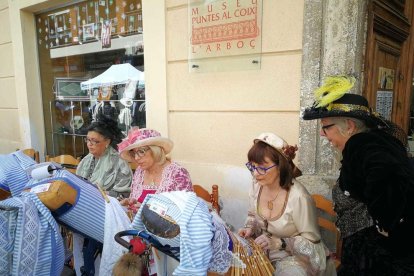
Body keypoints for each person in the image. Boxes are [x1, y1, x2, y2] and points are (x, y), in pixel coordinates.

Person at [302, 75, 414, 275]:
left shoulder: (362, 145)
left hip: (374, 259)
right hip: (370, 252)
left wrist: (385, 222)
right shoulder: (368, 144)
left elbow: (389, 172)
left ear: (349, 127)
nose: (322, 134)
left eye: (325, 127)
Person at [238, 132, 335, 276]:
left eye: (262, 167)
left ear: (281, 166)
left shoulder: (299, 197)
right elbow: (253, 214)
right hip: (264, 252)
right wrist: (249, 228)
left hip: (295, 257)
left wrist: (280, 243)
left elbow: (312, 244)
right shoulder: (256, 185)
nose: (255, 174)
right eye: (252, 166)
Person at [117, 127, 192, 213]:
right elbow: (137, 202)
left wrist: (150, 211)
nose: (136, 158)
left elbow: (186, 212)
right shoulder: (139, 171)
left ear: (155, 150)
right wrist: (130, 202)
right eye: (134, 153)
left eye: (141, 152)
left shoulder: (178, 174)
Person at [76, 114, 132, 197]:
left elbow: (125, 194)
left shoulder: (119, 162)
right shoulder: (86, 160)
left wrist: (102, 194)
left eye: (94, 141)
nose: (89, 144)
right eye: (88, 140)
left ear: (107, 142)